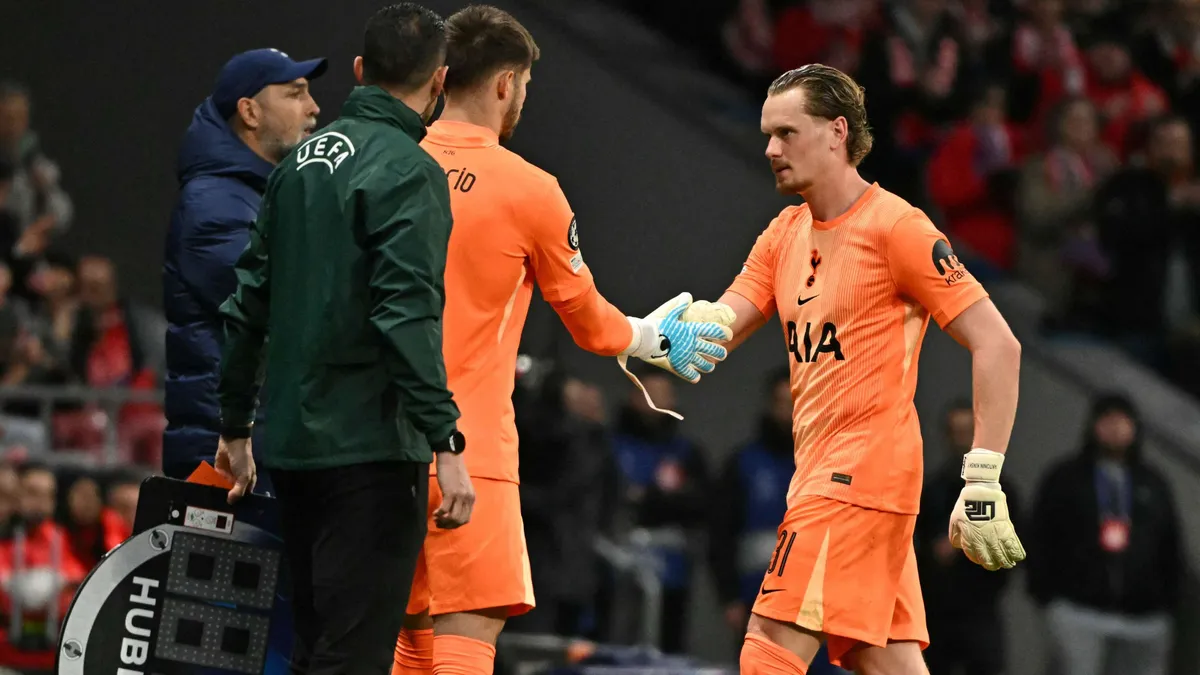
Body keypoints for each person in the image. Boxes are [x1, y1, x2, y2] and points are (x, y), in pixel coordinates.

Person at [391, 6, 734, 674]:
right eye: (524, 86)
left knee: (402, 632)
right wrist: (651, 338)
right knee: (465, 625)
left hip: (370, 445)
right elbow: (588, 321)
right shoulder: (529, 190)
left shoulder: (383, 166)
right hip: (469, 448)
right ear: (505, 84)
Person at [662, 64, 1027, 674]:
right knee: (883, 660)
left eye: (786, 132)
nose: (771, 149)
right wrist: (653, 335)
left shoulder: (897, 228)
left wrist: (983, 478)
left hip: (857, 479)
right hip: (834, 480)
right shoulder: (785, 231)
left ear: (837, 132)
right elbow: (720, 323)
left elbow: (998, 343)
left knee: (768, 645)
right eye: (767, 135)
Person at [215, 5, 474, 674]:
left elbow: (247, 305)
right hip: (371, 451)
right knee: (351, 658)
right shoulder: (410, 171)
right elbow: (405, 315)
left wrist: (237, 425)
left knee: (313, 649)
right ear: (439, 81)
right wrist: (445, 439)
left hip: (293, 448)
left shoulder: (297, 166)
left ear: (360, 70)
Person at [162, 47, 325, 487]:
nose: (313, 107)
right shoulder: (215, 203)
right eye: (295, 94)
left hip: (255, 445)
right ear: (250, 112)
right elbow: (283, 307)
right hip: (227, 458)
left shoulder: (256, 195)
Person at [1028, 394, 1181, 675]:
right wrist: (1046, 596)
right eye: (1107, 420)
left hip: (1144, 618)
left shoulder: (1152, 483)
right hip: (1079, 610)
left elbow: (1170, 545)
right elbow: (1040, 535)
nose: (1115, 428)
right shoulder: (1066, 478)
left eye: (1122, 421)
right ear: (1092, 425)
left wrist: (1167, 602)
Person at [915, 400, 1020, 675]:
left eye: (967, 432)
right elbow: (919, 543)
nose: (962, 440)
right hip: (939, 609)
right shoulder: (933, 489)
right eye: (956, 432)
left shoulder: (1001, 490)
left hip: (981, 606)